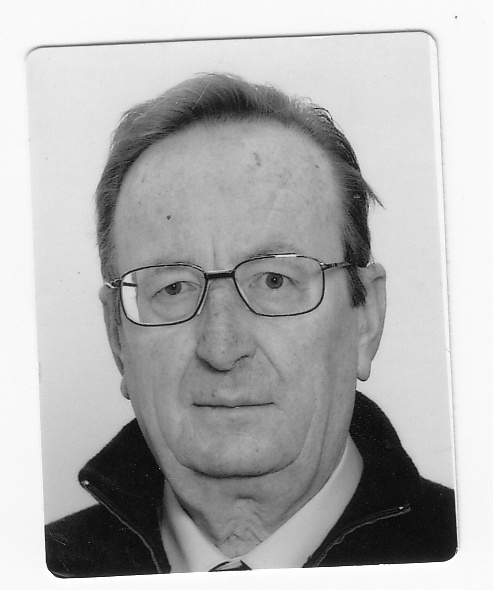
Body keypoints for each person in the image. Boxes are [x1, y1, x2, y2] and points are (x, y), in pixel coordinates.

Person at [45, 73, 457, 577]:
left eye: (274, 281)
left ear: (366, 318)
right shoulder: (38, 569)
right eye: (172, 288)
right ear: (117, 337)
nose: (221, 348)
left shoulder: (476, 551)